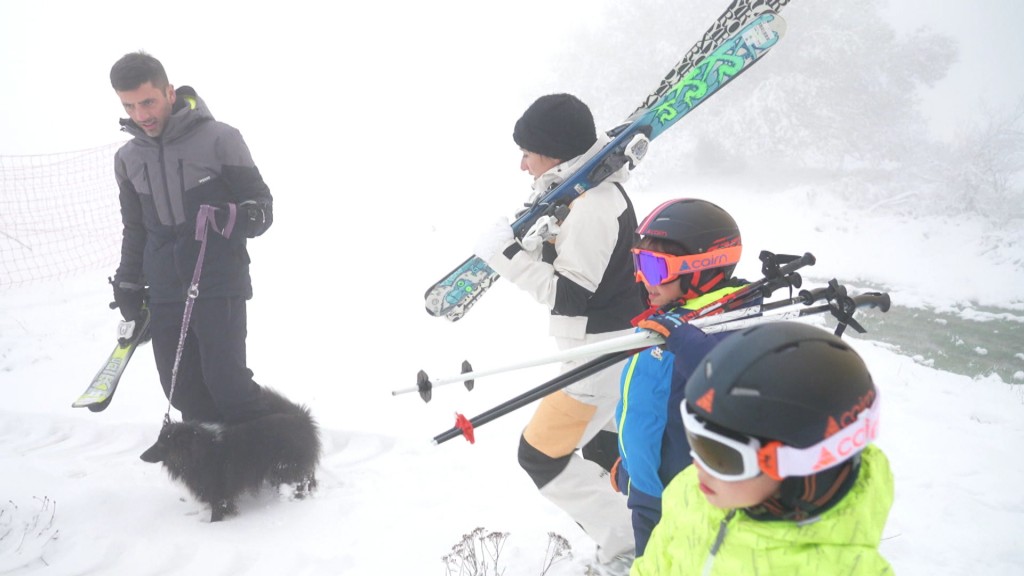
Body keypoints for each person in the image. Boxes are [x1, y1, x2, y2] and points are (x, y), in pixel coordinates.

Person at [473, 93, 646, 569]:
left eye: (528, 152)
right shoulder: (587, 197)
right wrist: (542, 244)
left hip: (595, 357)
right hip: (609, 349)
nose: (522, 164)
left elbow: (572, 296)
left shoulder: (594, 206)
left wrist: (506, 257)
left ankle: (629, 549)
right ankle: (640, 538)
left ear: (553, 152)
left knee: (540, 455)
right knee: (601, 452)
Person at [631, 321, 894, 575]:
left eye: (721, 454)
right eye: (695, 438)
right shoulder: (691, 489)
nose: (697, 464)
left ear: (804, 469)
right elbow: (657, 563)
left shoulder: (842, 569)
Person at [108, 51, 274, 425]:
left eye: (148, 101)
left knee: (227, 384)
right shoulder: (128, 159)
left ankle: (285, 458)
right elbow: (135, 229)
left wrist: (229, 215)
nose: (141, 115)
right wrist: (129, 280)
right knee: (181, 389)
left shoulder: (221, 139)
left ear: (169, 92)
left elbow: (262, 209)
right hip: (165, 290)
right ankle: (221, 472)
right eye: (129, 106)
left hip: (217, 281)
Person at [612, 198, 751, 556]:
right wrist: (631, 462)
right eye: (638, 264)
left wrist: (683, 339)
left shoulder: (728, 325)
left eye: (656, 268)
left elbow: (727, 384)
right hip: (647, 494)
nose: (643, 280)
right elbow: (646, 404)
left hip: (693, 502)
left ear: (702, 269)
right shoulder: (668, 318)